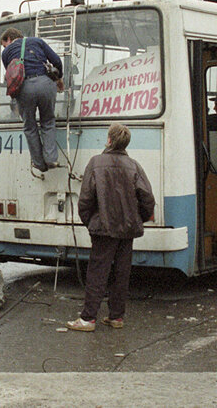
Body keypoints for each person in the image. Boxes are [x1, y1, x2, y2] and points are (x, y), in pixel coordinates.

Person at [67, 124, 155, 332]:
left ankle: (88, 318)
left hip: (103, 228)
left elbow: (85, 199)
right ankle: (116, 317)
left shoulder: (96, 163)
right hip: (128, 228)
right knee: (122, 272)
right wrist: (137, 218)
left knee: (97, 273)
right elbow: (147, 198)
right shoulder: (134, 165)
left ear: (109, 140)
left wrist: (90, 221)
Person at [0, 29, 64, 172]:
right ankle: (51, 159)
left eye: (4, 44)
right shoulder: (37, 41)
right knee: (48, 121)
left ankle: (39, 163)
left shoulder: (6, 53)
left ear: (9, 39)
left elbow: (12, 74)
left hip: (24, 88)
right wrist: (59, 79)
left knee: (30, 126)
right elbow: (57, 61)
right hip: (46, 84)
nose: (5, 48)